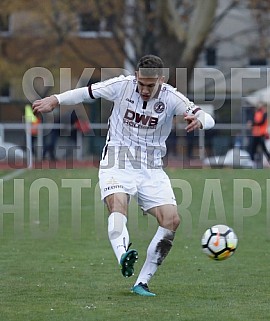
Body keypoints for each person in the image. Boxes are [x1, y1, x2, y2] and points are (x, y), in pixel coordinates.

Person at [32, 55, 215, 297]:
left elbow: (208, 117)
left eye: (150, 86)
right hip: (117, 162)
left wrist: (200, 121)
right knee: (118, 204)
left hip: (151, 168)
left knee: (171, 220)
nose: (144, 90)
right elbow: (86, 92)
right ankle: (123, 255)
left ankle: (142, 282)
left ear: (161, 80)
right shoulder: (122, 85)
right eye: (141, 84)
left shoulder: (172, 97)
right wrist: (56, 99)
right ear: (136, 77)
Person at [248, 102, 270, 166]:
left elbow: (261, 122)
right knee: (252, 149)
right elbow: (254, 121)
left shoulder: (264, 113)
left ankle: (267, 160)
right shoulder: (257, 113)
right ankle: (252, 162)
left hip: (261, 134)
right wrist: (251, 123)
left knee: (264, 149)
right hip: (255, 134)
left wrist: (252, 123)